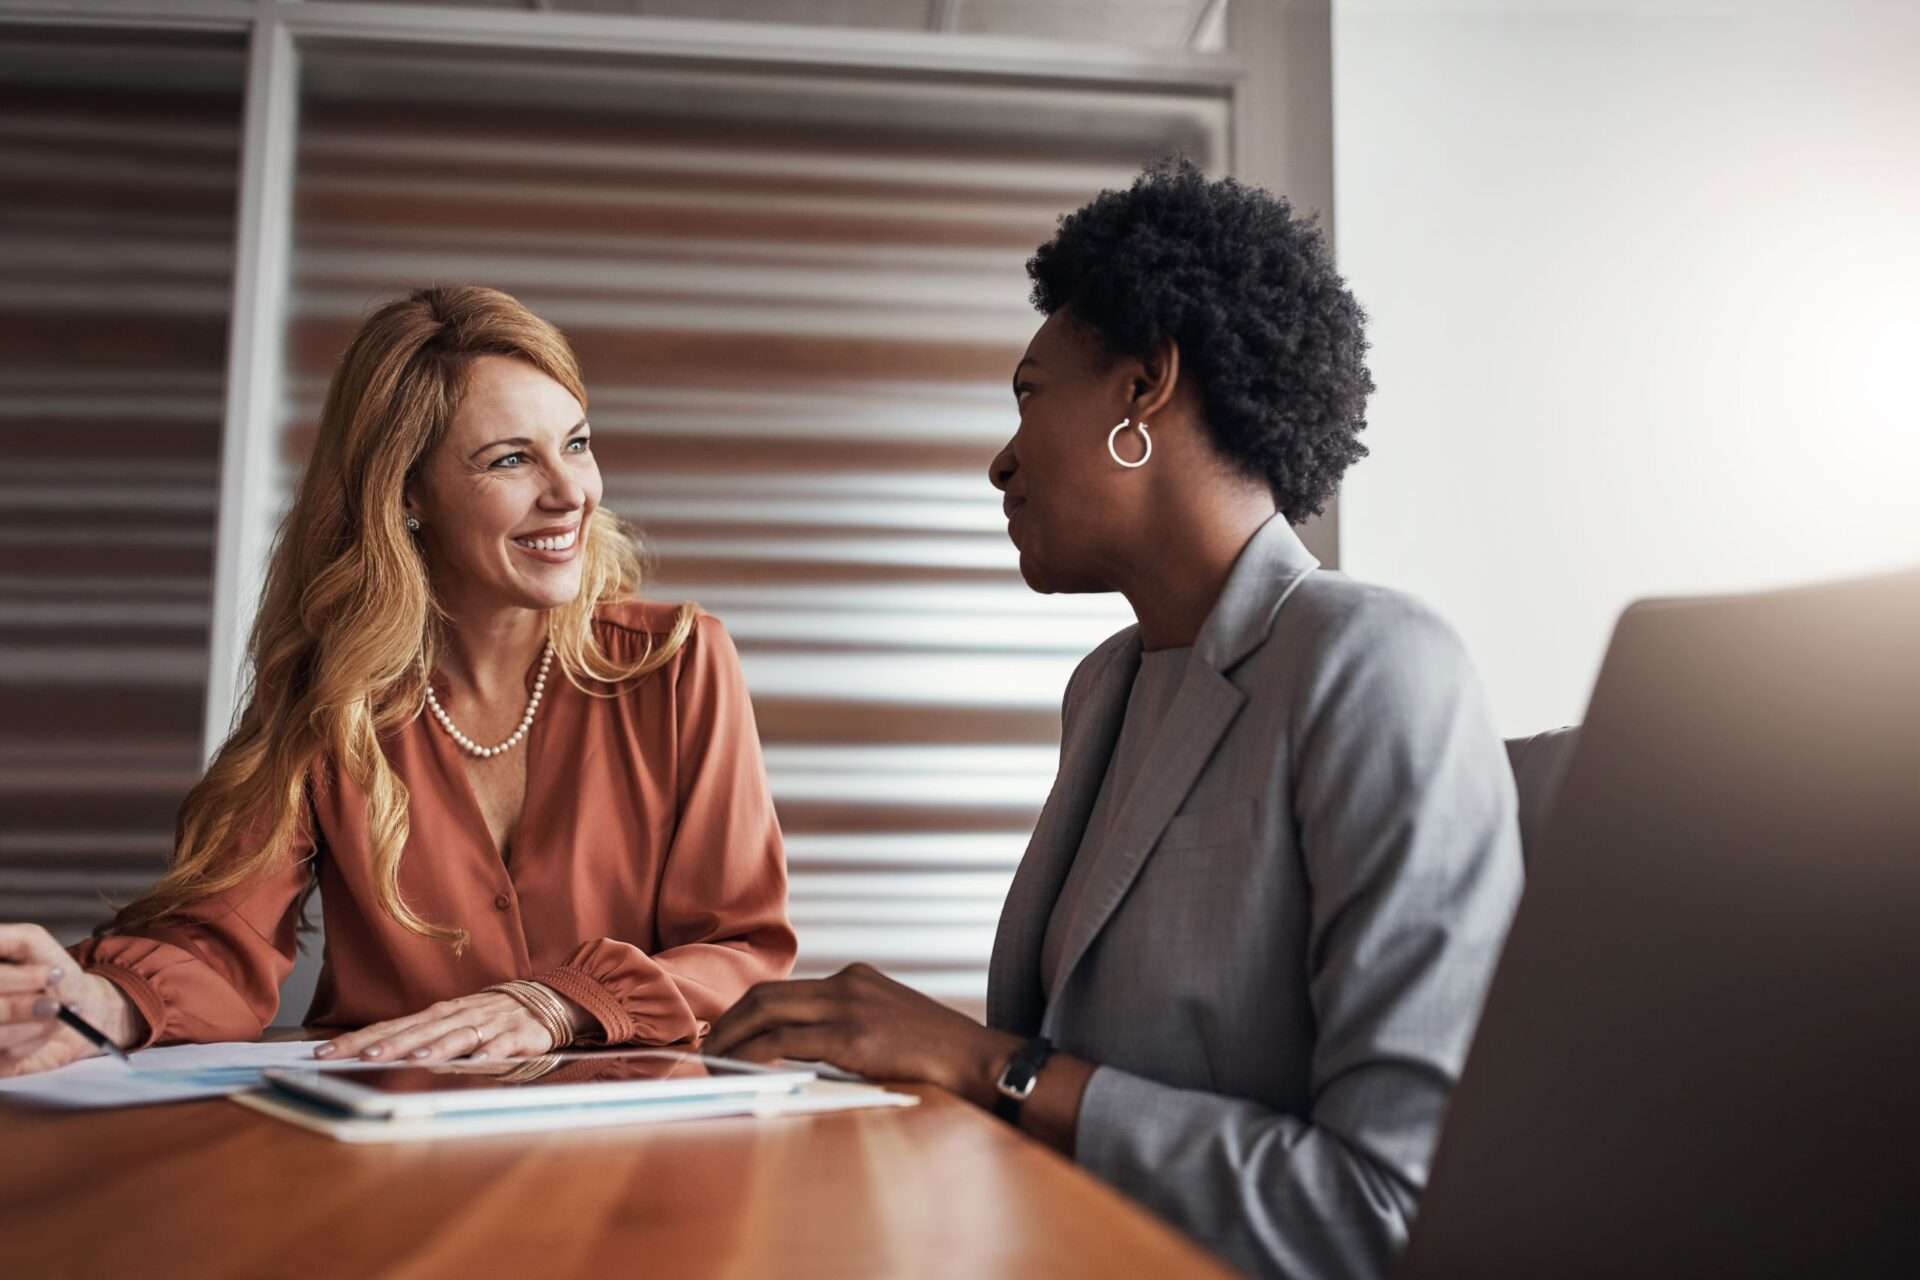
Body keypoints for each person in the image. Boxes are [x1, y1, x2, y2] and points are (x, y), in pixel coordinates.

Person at [705, 161, 1524, 1278]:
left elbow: (1387, 1207)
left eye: (1030, 393)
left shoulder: (1373, 661)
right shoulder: (1109, 684)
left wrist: (985, 1062)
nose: (1001, 457)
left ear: (1145, 387)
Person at [0, 286, 794, 1076]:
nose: (570, 494)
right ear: (408, 493)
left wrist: (558, 1002)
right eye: (512, 459)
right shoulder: (329, 695)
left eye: (577, 445)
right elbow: (221, 942)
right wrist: (93, 1006)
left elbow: (743, 950)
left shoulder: (679, 664)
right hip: (393, 1136)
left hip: (638, 1142)